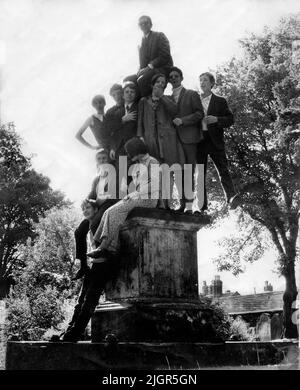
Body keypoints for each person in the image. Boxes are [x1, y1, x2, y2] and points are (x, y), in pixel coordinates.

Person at [61, 138, 160, 342]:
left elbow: (155, 185)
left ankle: (104, 246)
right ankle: (101, 247)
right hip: (134, 199)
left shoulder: (152, 163)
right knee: (86, 293)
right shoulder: (136, 166)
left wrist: (131, 195)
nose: (132, 158)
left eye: (132, 154)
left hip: (148, 198)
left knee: (113, 212)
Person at [137, 73, 185, 208]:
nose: (160, 84)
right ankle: (156, 203)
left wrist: (162, 97)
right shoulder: (143, 101)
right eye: (158, 81)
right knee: (154, 171)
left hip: (168, 141)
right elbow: (140, 122)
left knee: (168, 170)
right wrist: (141, 137)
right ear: (152, 84)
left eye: (163, 83)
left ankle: (167, 203)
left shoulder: (168, 99)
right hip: (150, 141)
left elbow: (175, 111)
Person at [197, 72, 240, 211]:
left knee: (223, 170)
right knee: (200, 174)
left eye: (205, 80)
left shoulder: (220, 101)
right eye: (200, 80)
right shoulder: (194, 100)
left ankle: (231, 197)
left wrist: (217, 119)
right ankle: (202, 206)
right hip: (200, 141)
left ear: (211, 83)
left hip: (215, 141)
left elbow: (230, 119)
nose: (202, 82)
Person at [73, 149, 118, 280]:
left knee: (96, 223)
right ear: (96, 162)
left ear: (108, 160)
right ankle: (83, 265)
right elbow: (92, 195)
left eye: (104, 158)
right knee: (79, 231)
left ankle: (101, 256)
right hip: (98, 205)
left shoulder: (113, 174)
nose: (102, 161)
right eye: (99, 159)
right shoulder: (97, 178)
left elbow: (109, 195)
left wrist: (96, 203)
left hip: (109, 204)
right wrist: (86, 202)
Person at [168, 66, 204, 212]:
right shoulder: (168, 99)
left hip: (189, 139)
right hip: (174, 141)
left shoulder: (191, 94)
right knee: (178, 173)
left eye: (176, 76)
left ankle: (189, 205)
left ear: (182, 78)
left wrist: (183, 120)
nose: (173, 78)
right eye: (171, 77)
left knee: (189, 171)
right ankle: (182, 204)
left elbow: (199, 114)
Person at [125, 16, 173, 98]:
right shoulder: (141, 43)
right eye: (141, 24)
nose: (143, 25)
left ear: (151, 25)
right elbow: (142, 64)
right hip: (148, 71)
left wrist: (149, 67)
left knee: (142, 80)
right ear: (139, 26)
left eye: (146, 23)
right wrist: (139, 71)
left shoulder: (159, 36)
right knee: (127, 80)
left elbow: (165, 56)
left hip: (162, 69)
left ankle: (146, 104)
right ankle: (135, 107)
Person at [109, 82, 139, 161]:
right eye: (127, 92)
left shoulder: (139, 107)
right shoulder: (117, 112)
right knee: (122, 172)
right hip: (120, 148)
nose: (129, 94)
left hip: (135, 147)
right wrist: (113, 148)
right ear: (123, 95)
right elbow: (112, 131)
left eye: (132, 92)